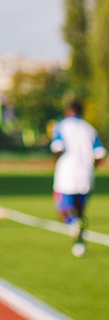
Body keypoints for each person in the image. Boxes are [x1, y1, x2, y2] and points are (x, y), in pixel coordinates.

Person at [50, 100, 106, 257]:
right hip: (85, 176)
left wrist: (56, 163)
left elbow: (58, 148)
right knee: (81, 212)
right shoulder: (89, 129)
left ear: (68, 110)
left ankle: (73, 225)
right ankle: (79, 244)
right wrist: (90, 167)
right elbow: (100, 155)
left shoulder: (61, 126)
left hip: (66, 174)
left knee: (64, 210)